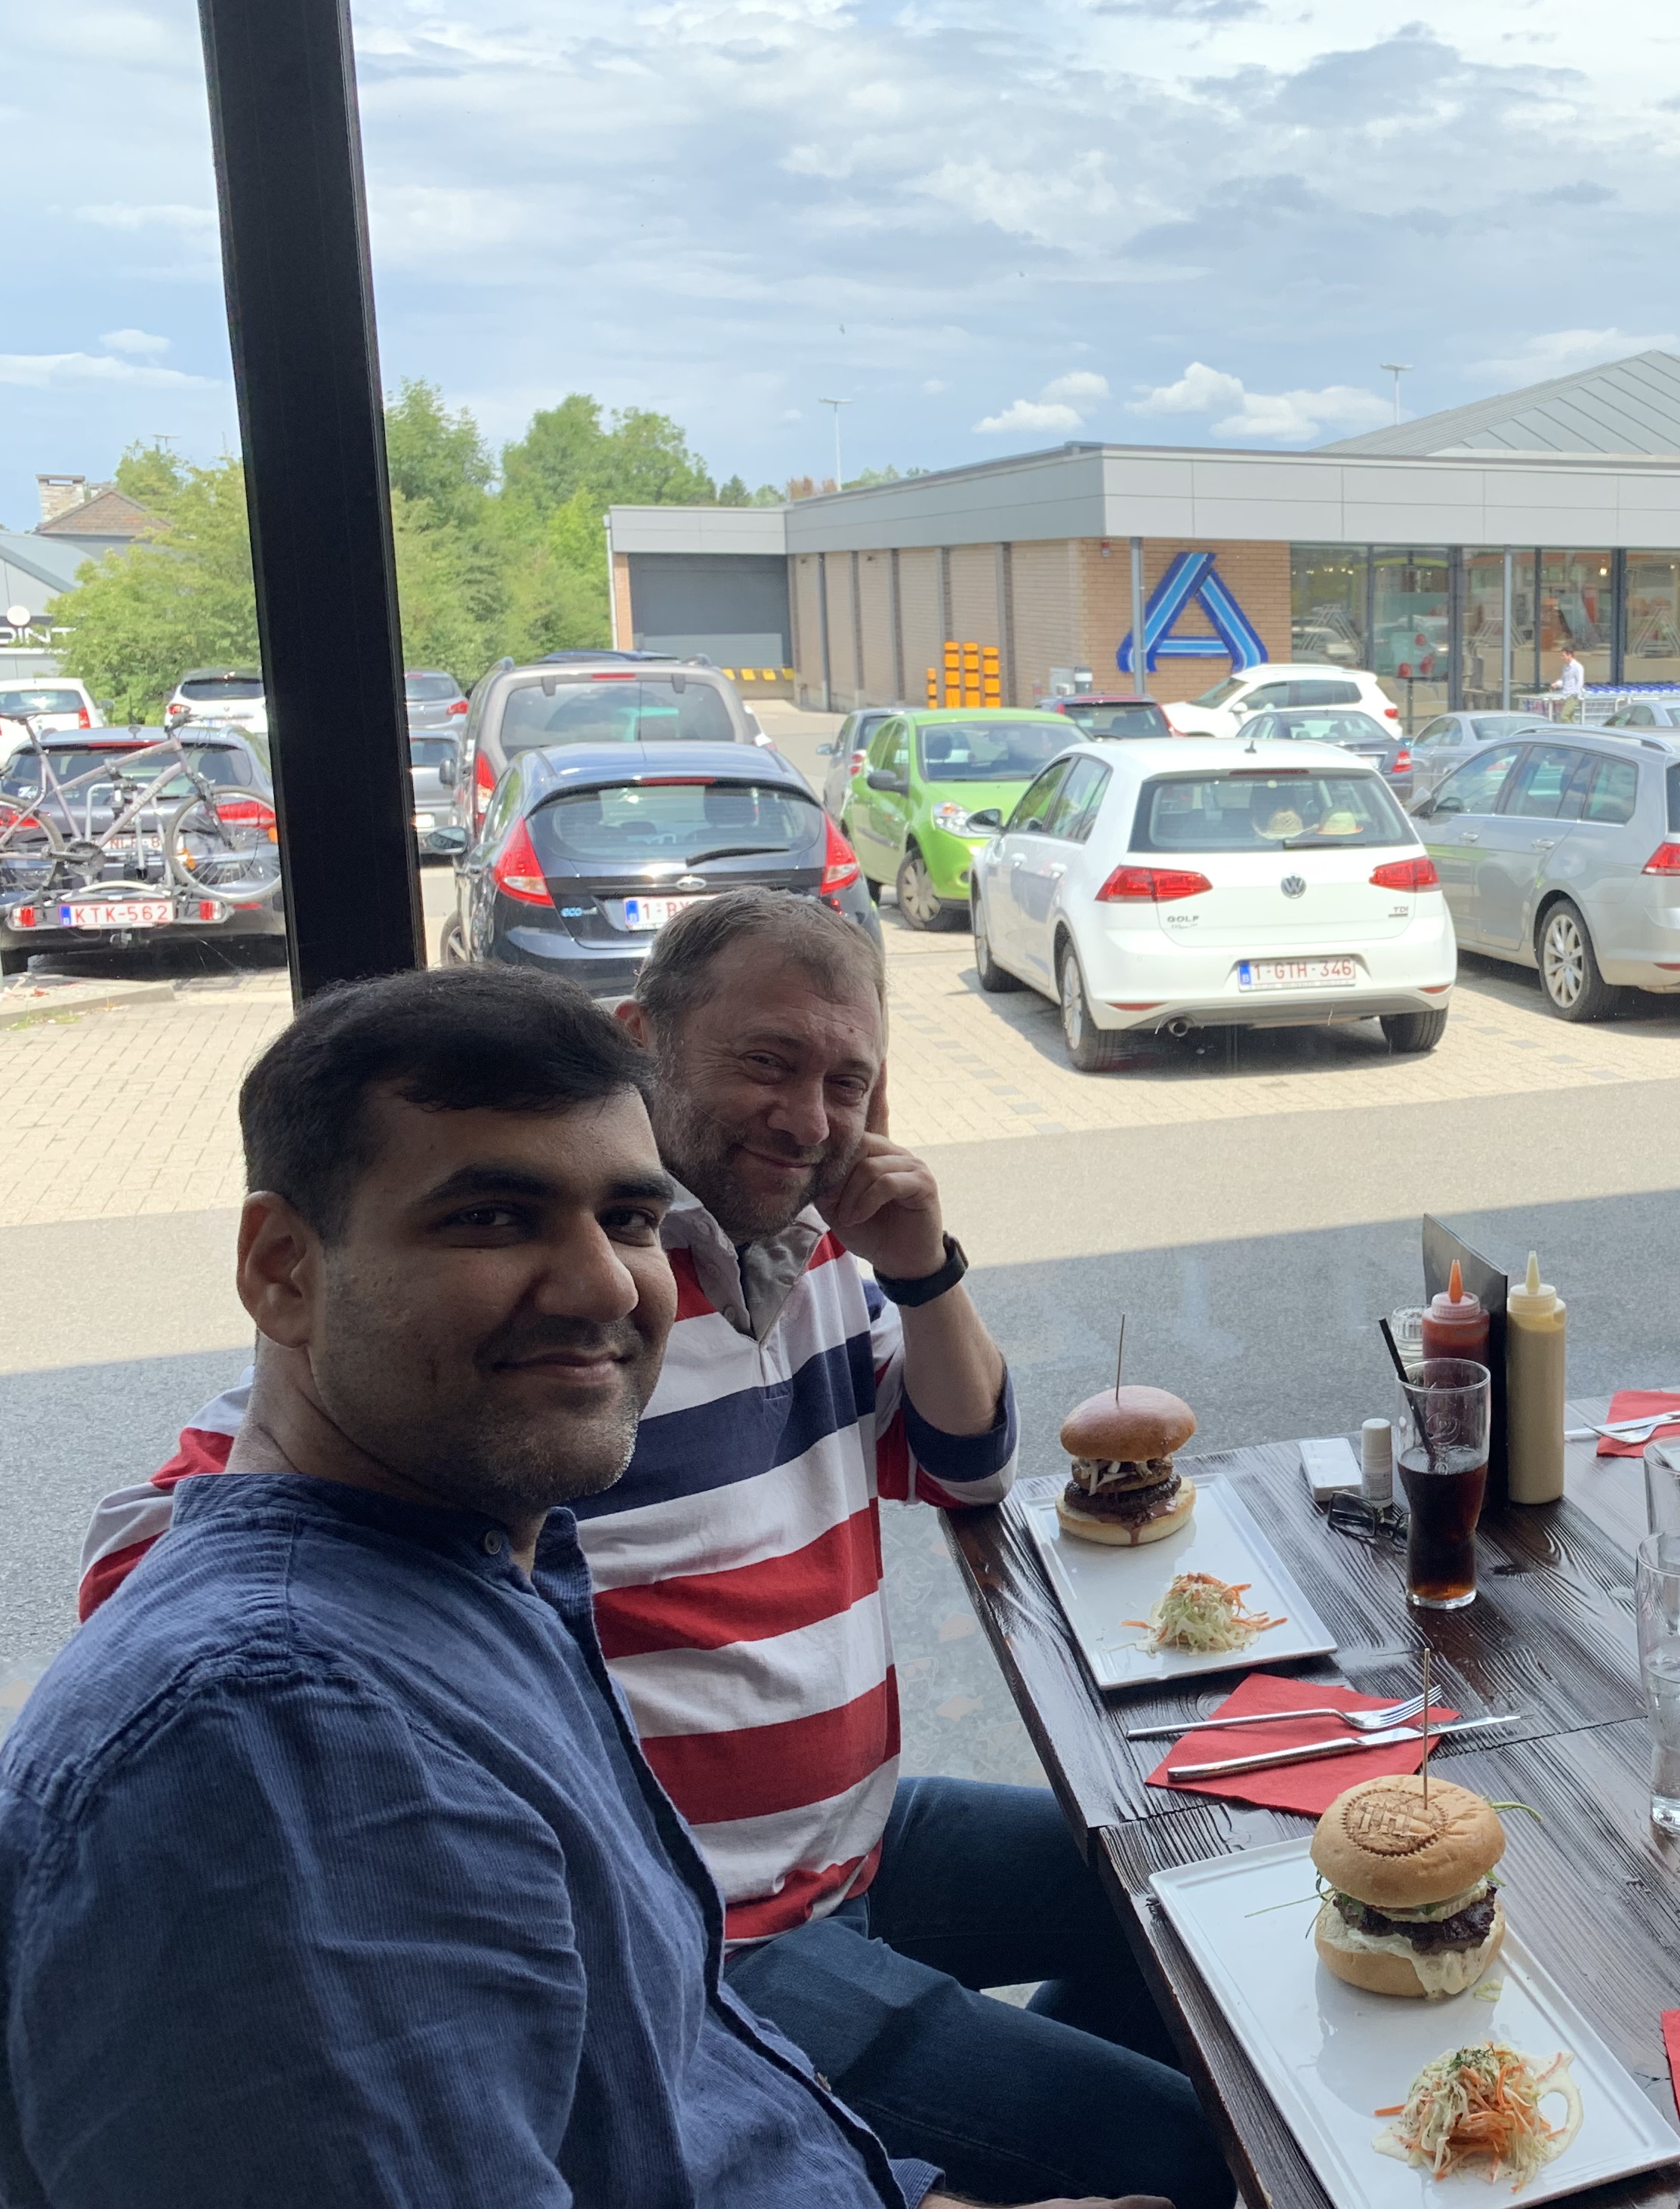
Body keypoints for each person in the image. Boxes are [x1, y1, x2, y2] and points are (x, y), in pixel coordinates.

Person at [75, 893, 1229, 2209]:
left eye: (847, 1081)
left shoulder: (810, 1258)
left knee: (1176, 1872)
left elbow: (966, 1465)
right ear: (643, 1043)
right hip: (714, 1921)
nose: (808, 1119)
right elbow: (199, 1556)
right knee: (1182, 2146)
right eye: (766, 1062)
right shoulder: (537, 1362)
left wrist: (922, 1269)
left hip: (857, 1843)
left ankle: (1008, 2116)